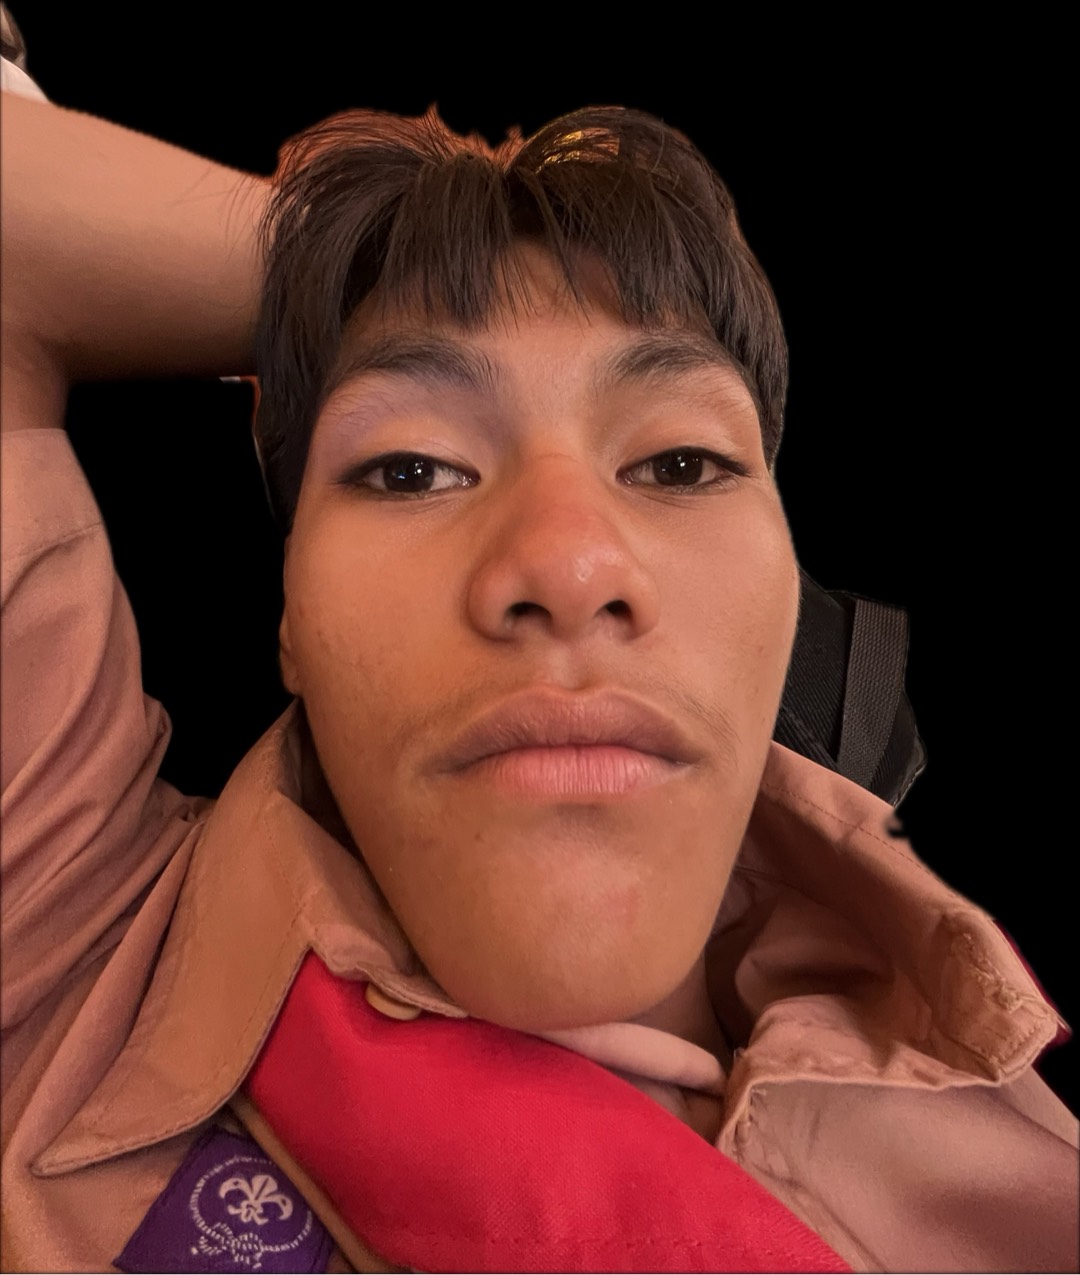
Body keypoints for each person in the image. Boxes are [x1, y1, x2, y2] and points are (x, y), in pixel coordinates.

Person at [2, 26, 1077, 1274]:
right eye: (410, 467)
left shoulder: (1032, 1161)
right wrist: (340, 268)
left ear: (791, 602)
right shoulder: (64, 957)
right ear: (288, 617)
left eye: (681, 463)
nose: (570, 567)